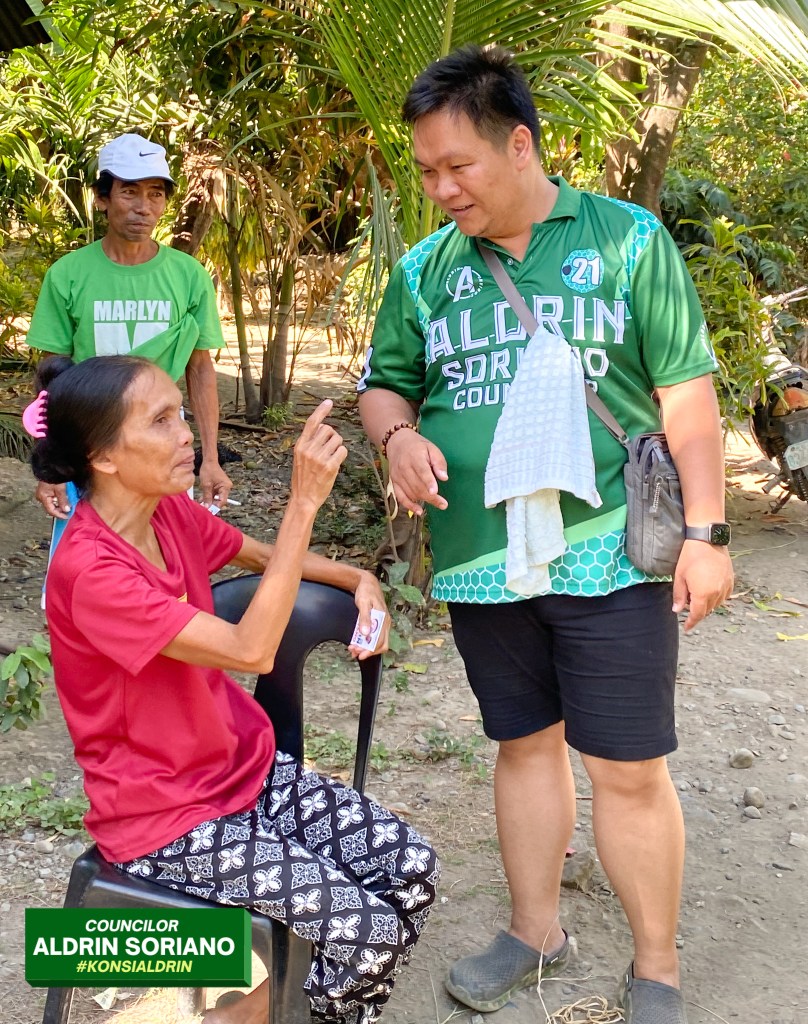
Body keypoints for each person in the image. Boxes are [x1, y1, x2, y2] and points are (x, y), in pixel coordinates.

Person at [357, 45, 733, 1024]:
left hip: (609, 547)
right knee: (523, 746)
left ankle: (656, 967)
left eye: (458, 166)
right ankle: (535, 932)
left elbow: (685, 393)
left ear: (518, 144)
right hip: (484, 560)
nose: (441, 189)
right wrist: (397, 436)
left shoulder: (627, 239)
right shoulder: (425, 270)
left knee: (626, 767)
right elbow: (385, 385)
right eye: (427, 171)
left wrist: (707, 531)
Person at [26, 355, 440, 1024]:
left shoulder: (168, 513)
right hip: (165, 818)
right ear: (102, 457)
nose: (186, 433)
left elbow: (262, 557)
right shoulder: (90, 571)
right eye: (161, 421)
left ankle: (256, 1009)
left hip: (241, 771)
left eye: (180, 414)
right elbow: (252, 649)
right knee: (369, 934)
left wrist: (355, 577)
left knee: (412, 867)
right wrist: (303, 502)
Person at [26, 132, 232, 515]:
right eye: (129, 192)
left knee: (167, 539)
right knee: (89, 539)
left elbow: (200, 368)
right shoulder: (67, 275)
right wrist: (50, 463)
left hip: (163, 433)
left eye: (156, 194)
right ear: (102, 198)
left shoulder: (189, 275)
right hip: (88, 434)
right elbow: (52, 374)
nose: (143, 207)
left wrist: (210, 459)